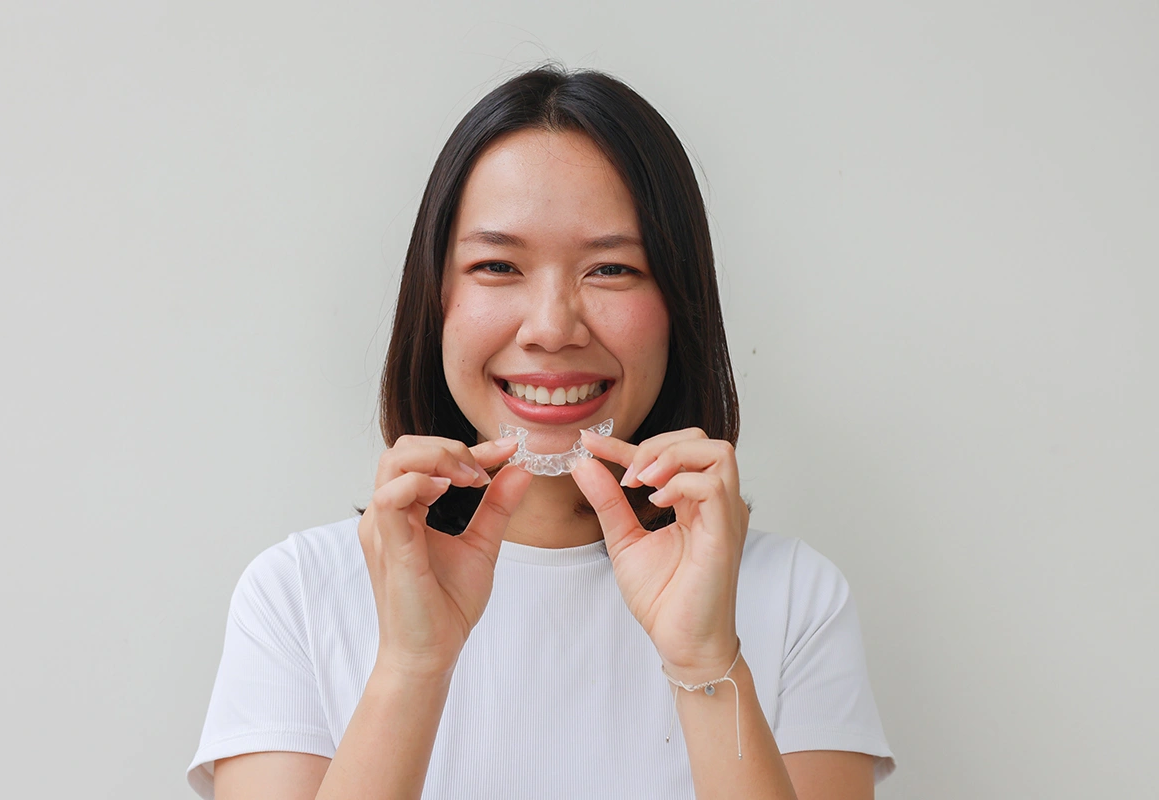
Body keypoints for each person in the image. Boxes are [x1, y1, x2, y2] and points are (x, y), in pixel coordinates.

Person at [188, 65, 896, 799]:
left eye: (612, 269)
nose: (553, 329)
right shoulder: (295, 596)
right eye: (497, 264)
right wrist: (411, 666)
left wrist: (704, 661)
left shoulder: (796, 598)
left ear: (680, 304)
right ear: (436, 299)